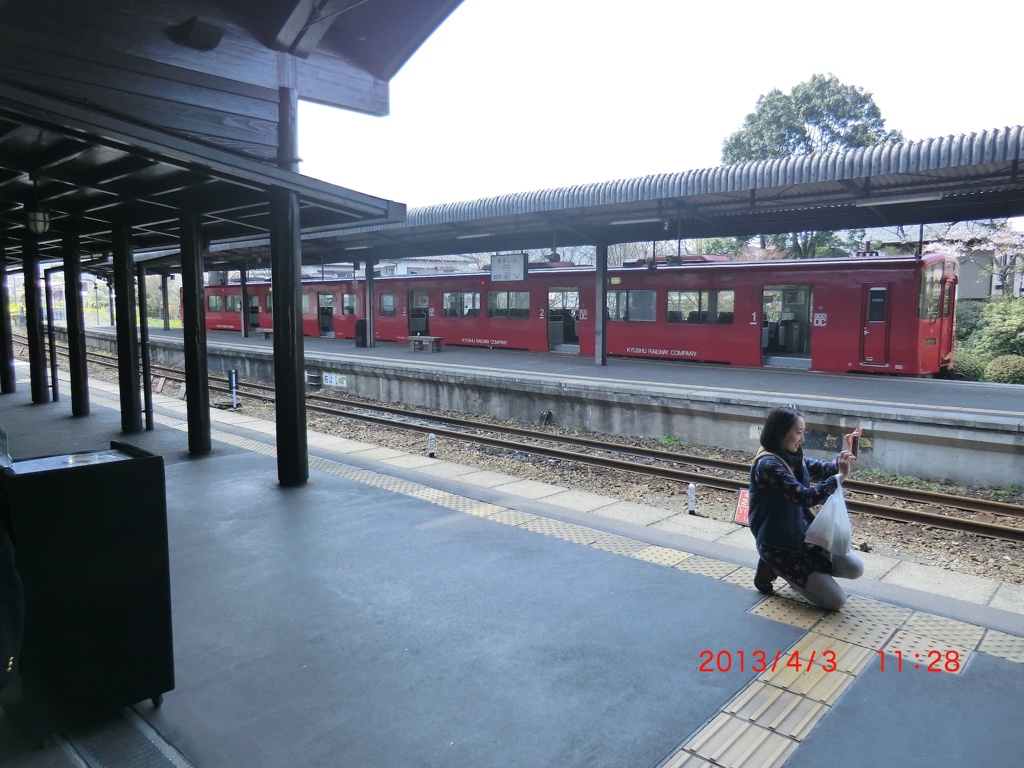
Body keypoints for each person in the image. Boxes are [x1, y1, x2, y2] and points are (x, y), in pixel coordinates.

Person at [748, 405, 863, 611]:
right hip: (779, 543)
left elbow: (823, 468)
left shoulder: (792, 455)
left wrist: (845, 456)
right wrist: (838, 479)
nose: (802, 439)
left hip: (804, 532)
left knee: (855, 568)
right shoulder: (768, 465)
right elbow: (805, 497)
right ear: (780, 433)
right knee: (836, 601)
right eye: (799, 433)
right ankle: (775, 566)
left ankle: (811, 574)